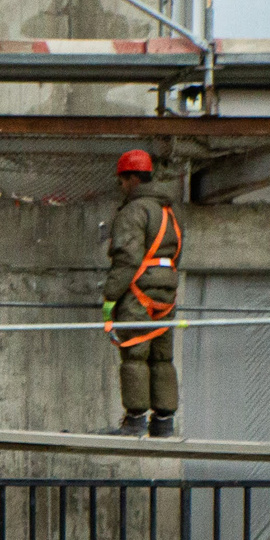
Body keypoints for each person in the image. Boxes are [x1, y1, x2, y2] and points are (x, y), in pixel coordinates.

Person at [103, 148, 183, 438]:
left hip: (138, 292)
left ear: (133, 178)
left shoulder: (133, 211)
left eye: (123, 181)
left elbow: (126, 259)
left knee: (135, 353)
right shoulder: (168, 212)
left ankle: (135, 420)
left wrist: (110, 297)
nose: (122, 187)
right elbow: (176, 255)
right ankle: (163, 423)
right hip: (166, 294)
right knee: (161, 357)